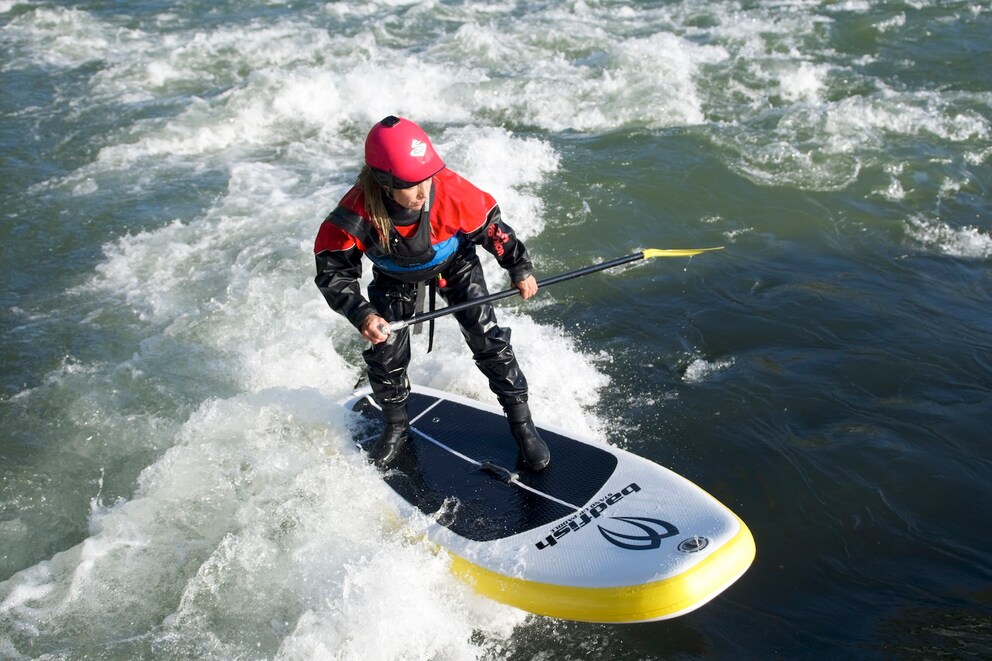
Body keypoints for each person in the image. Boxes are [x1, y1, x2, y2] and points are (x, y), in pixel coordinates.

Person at [314, 115, 550, 471]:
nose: (425, 191)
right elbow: (333, 274)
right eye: (412, 185)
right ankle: (396, 428)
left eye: (427, 178)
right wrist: (364, 315)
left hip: (457, 267)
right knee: (387, 354)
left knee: (488, 340)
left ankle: (521, 424)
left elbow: (492, 230)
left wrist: (519, 267)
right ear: (384, 181)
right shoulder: (355, 214)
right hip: (395, 277)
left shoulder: (449, 190)